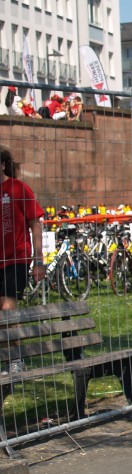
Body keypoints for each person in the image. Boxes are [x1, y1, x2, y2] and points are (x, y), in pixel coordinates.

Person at [0, 146, 46, 374]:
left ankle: (15, 358)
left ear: (2, 165)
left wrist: (39, 260)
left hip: (15, 258)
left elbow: (35, 223)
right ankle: (6, 356)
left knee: (8, 308)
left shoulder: (18, 188)